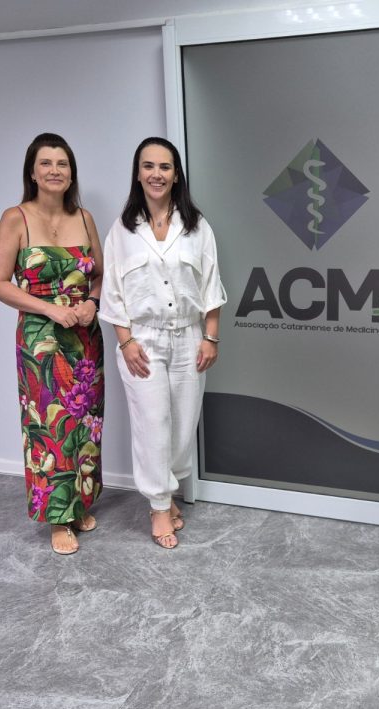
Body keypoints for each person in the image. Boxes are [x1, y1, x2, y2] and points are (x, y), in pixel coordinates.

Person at [99, 137, 226, 550]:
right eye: (149, 166)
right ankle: (158, 506)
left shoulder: (197, 227)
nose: (157, 174)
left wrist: (210, 337)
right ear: (138, 174)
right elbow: (112, 293)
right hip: (143, 340)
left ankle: (168, 490)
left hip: (189, 337)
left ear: (176, 175)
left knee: (183, 426)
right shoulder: (122, 231)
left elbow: (211, 285)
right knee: (152, 424)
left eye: (165, 167)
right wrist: (126, 343)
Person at [0, 132, 105, 555]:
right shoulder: (15, 218)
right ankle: (58, 518)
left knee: (85, 423)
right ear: (33, 173)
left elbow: (100, 274)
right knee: (48, 428)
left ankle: (79, 503)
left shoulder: (85, 218)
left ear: (71, 173)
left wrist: (91, 303)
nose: (55, 170)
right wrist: (50, 309)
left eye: (62, 163)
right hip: (41, 342)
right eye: (46, 163)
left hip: (85, 338)